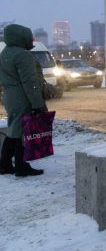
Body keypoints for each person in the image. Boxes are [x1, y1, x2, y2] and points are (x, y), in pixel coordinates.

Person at [0, 24, 46, 177]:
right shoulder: (22, 55)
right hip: (22, 96)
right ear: (22, 36)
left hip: (9, 95)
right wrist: (37, 104)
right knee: (22, 132)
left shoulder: (5, 52)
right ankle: (21, 166)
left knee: (13, 130)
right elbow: (30, 82)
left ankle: (5, 164)